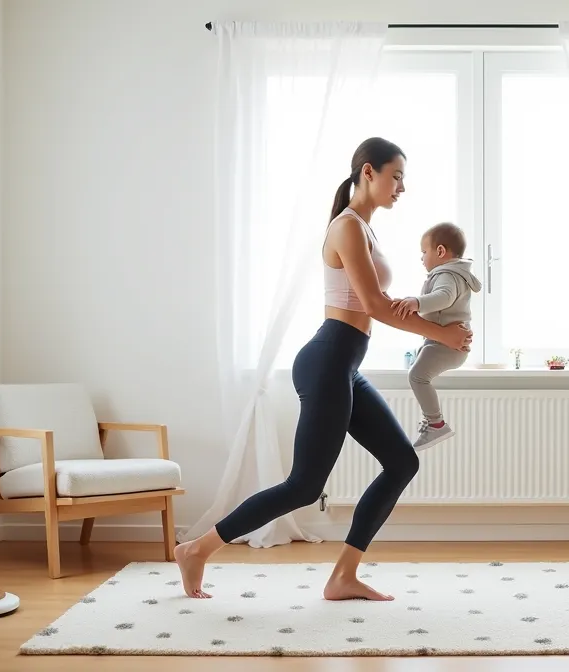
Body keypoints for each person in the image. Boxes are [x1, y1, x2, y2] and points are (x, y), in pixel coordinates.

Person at [174, 137, 473, 601]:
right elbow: (374, 305)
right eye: (396, 176)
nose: (402, 187)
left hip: (345, 364)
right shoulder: (347, 227)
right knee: (304, 486)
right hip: (328, 360)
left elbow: (382, 304)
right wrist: (442, 336)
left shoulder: (366, 229)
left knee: (401, 461)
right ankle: (197, 549)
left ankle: (343, 576)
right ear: (368, 173)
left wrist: (440, 321)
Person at [392, 222, 481, 450]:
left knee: (417, 377)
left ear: (440, 251)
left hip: (447, 345)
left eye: (424, 252)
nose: (422, 258)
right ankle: (433, 421)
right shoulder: (454, 273)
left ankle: (436, 423)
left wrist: (417, 302)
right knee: (420, 368)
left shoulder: (447, 275)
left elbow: (444, 297)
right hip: (442, 343)